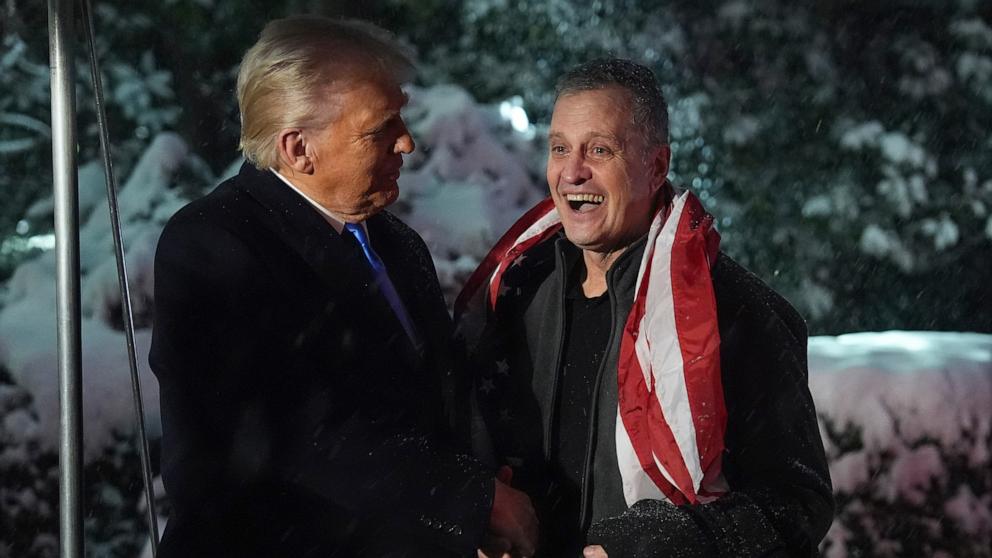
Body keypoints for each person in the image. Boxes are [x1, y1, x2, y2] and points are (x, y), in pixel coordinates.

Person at [150, 16, 537, 558]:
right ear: (297, 148)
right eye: (380, 129)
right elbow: (293, 433)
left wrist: (472, 514)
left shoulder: (398, 244)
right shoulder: (212, 245)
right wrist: (470, 502)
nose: (407, 142)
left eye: (401, 117)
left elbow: (434, 407)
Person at [460, 59, 834, 557]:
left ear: (657, 166)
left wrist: (653, 546)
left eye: (599, 149)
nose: (572, 172)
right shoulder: (511, 294)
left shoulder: (737, 309)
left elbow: (798, 504)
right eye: (559, 149)